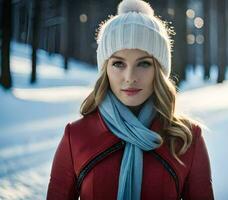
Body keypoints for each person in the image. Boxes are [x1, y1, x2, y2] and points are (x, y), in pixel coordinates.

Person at [46, 0, 214, 199]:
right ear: (105, 69)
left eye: (143, 64)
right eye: (118, 63)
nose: (130, 77)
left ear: (159, 71)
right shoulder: (76, 136)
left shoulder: (187, 139)